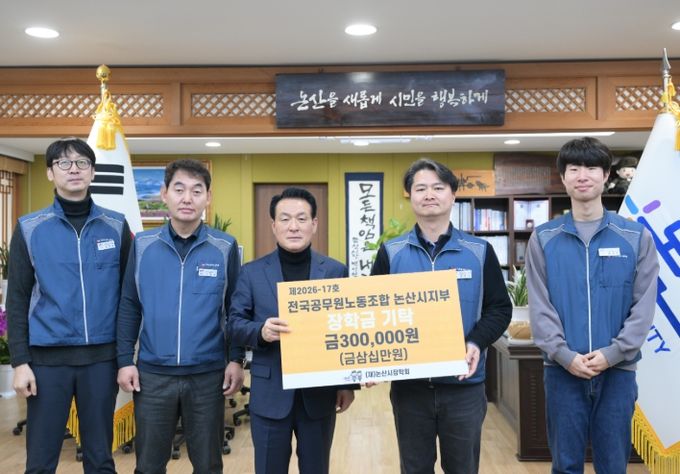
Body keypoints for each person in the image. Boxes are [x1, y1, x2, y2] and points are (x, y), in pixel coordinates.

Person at [525, 137, 659, 474]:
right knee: (565, 465)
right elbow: (539, 305)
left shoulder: (635, 237)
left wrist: (614, 353)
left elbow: (643, 305)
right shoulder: (544, 238)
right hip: (561, 371)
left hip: (618, 372)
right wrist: (564, 355)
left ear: (605, 175)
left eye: (591, 168)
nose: (582, 175)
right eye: (574, 169)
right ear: (563, 177)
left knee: (613, 465)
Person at [370, 158, 512, 474]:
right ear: (410, 196)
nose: (429, 194)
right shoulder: (391, 253)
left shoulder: (479, 251)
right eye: (420, 188)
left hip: (464, 386)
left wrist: (475, 342)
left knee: (463, 468)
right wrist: (371, 362)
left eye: (438, 187)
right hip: (410, 389)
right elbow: (374, 313)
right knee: (414, 468)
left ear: (452, 195)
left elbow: (499, 308)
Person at [6, 137, 132, 473]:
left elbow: (128, 299)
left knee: (100, 459)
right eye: (64, 163)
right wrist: (20, 362)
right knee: (40, 461)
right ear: (50, 172)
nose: (73, 169)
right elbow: (17, 298)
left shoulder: (116, 226)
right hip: (47, 362)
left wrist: (125, 358)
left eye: (82, 163)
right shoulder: (29, 228)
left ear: (92, 172)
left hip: (101, 361)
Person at [116, 159, 244, 474]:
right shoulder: (142, 245)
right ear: (164, 194)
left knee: (209, 464)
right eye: (179, 189)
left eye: (196, 191)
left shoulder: (224, 247)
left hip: (207, 375)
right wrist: (124, 360)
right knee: (148, 465)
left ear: (208, 198)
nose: (187, 198)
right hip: (152, 375)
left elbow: (235, 309)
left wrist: (236, 359)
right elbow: (130, 305)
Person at [229, 187, 355, 474]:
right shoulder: (251, 272)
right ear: (274, 225)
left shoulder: (335, 271)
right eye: (285, 219)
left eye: (301, 218)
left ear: (314, 224)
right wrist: (260, 332)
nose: (293, 226)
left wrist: (346, 384)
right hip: (270, 392)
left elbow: (346, 329)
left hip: (319, 394)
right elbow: (234, 324)